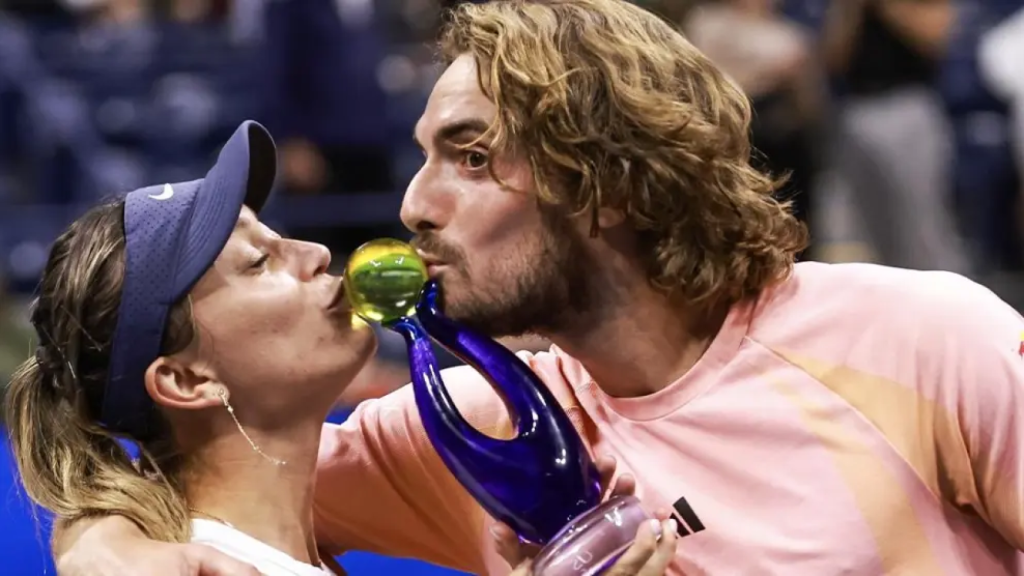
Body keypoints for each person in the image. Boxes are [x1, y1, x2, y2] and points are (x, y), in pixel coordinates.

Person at [55, 0, 1024, 574]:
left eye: (469, 159)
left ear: (609, 186)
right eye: (422, 155)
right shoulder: (478, 429)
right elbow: (174, 485)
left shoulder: (915, 339)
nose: (412, 204)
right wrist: (106, 553)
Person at [3, 119, 676, 576]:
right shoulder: (203, 566)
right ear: (186, 381)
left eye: (275, 235)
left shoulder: (277, 539)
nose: (317, 254)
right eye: (258, 263)